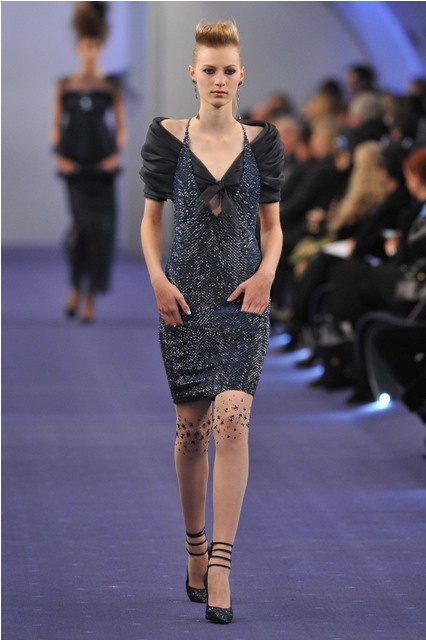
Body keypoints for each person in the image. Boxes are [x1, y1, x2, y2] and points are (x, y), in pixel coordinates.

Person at [139, 21, 283, 624]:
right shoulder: (167, 138)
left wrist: (266, 274)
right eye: (209, 70)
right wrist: (157, 280)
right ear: (192, 74)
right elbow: (151, 222)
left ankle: (221, 563)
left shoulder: (263, 141)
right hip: (185, 304)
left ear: (241, 74)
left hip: (243, 303)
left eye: (228, 70)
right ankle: (194, 546)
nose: (219, 80)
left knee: (232, 423)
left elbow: (273, 227)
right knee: (191, 433)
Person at [51, 1, 126, 323]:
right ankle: (75, 287)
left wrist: (115, 156)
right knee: (79, 231)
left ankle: (90, 296)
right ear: (78, 48)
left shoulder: (111, 86)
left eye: (95, 46)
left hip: (102, 168)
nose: (90, 52)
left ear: (100, 48)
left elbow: (120, 128)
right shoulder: (64, 85)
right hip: (75, 168)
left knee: (100, 233)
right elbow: (56, 125)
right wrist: (59, 155)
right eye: (86, 46)